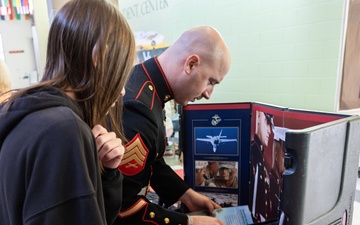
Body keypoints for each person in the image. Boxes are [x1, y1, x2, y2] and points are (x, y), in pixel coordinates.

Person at [0, 0, 135, 224]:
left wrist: (106, 174)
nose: (121, 91)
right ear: (99, 57)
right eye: (119, 72)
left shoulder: (26, 116)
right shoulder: (63, 130)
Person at [117, 26, 231, 225]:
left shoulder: (146, 86)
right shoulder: (139, 106)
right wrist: (189, 223)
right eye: (211, 81)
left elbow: (150, 161)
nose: (208, 94)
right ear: (191, 64)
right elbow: (122, 206)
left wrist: (187, 195)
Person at [249, 111, 279, 223]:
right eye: (267, 122)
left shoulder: (261, 162)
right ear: (258, 117)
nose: (269, 131)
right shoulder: (251, 155)